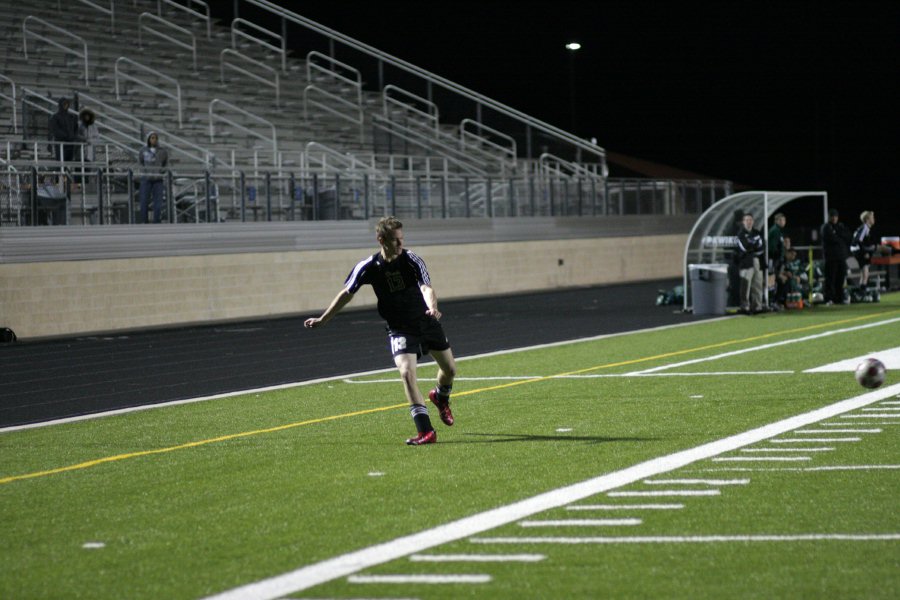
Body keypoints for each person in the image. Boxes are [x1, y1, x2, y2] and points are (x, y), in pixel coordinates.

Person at [304, 216, 457, 446]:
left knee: (450, 370)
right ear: (381, 239)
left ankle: (440, 397)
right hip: (399, 329)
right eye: (395, 240)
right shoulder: (368, 267)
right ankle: (426, 431)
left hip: (426, 321)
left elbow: (426, 287)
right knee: (407, 373)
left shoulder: (412, 260)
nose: (400, 244)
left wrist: (432, 307)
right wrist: (324, 319)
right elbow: (347, 293)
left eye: (401, 239)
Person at [851, 211, 890, 287]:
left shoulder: (865, 228)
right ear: (867, 220)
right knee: (865, 271)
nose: (874, 219)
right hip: (858, 250)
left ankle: (862, 289)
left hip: (857, 249)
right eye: (872, 218)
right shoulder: (865, 227)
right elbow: (859, 240)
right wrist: (864, 252)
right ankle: (862, 290)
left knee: (865, 271)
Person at [821, 208, 852, 304]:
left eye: (835, 216)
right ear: (829, 217)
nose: (834, 218)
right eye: (832, 216)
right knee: (830, 279)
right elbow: (832, 239)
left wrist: (838, 235)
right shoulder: (826, 227)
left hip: (841, 257)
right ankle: (829, 298)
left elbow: (848, 236)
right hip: (831, 258)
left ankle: (839, 298)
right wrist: (839, 237)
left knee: (840, 278)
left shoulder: (840, 226)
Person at [735, 213, 765, 313]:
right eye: (747, 220)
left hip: (757, 261)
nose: (749, 222)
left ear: (753, 221)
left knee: (757, 284)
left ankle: (757, 306)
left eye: (750, 220)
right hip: (746, 262)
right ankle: (745, 306)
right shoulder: (741, 234)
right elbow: (745, 248)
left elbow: (761, 247)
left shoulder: (757, 233)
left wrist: (752, 246)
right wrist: (753, 246)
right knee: (745, 285)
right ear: (743, 222)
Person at [137, 132, 168, 224]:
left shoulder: (162, 151)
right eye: (152, 138)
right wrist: (144, 172)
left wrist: (162, 171)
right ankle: (144, 221)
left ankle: (157, 221)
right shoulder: (143, 150)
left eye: (155, 138)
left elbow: (166, 163)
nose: (154, 140)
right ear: (148, 139)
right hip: (146, 180)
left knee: (158, 202)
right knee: (144, 201)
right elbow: (140, 162)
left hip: (158, 180)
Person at [48, 97, 78, 162]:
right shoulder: (55, 117)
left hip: (70, 144)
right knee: (61, 162)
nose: (66, 106)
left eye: (67, 104)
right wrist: (67, 136)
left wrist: (73, 137)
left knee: (69, 162)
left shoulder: (71, 117)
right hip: (60, 143)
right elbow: (55, 130)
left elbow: (76, 128)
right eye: (64, 104)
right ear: (60, 105)